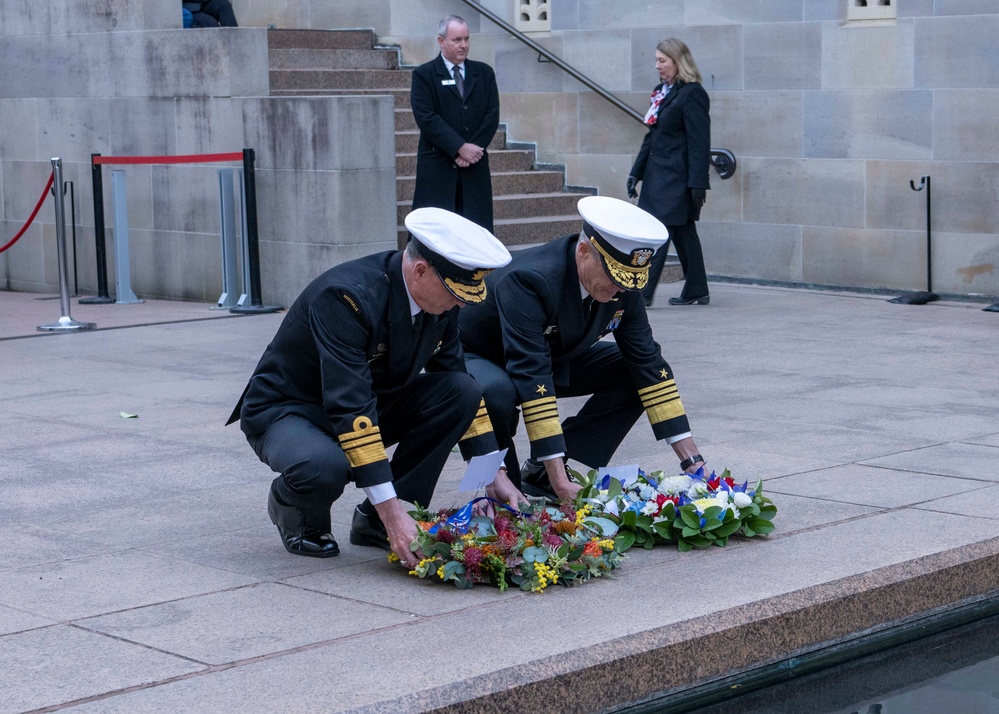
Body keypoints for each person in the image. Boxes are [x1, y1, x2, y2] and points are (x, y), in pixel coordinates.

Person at [227, 208, 525, 567]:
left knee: (460, 391)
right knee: (323, 465)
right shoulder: (345, 298)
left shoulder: (440, 297)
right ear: (420, 271)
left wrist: (494, 474)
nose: (461, 303)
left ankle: (377, 521)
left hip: (368, 398)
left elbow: (456, 375)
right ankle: (295, 509)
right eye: (456, 293)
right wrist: (392, 511)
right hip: (291, 408)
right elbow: (349, 406)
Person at [459, 196, 709, 502]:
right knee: (497, 393)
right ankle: (488, 485)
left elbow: (647, 360)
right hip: (479, 357)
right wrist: (560, 482)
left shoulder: (621, 284)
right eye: (614, 278)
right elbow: (531, 373)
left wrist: (692, 461)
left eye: (627, 282)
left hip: (551, 353)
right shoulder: (530, 279)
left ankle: (544, 471)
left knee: (633, 372)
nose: (620, 290)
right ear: (583, 252)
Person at [627, 38, 710, 307]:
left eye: (662, 60)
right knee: (684, 233)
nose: (657, 66)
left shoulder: (692, 94)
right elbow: (652, 138)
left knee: (657, 232)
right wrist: (635, 172)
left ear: (678, 61)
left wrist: (698, 182)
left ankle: (643, 293)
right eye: (656, 60)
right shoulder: (661, 92)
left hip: (676, 178)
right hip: (657, 175)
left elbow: (700, 142)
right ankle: (697, 288)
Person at [410, 15, 500, 232]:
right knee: (436, 233)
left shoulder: (484, 73)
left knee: (475, 231)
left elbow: (492, 114)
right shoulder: (424, 75)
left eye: (467, 39)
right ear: (441, 41)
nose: (464, 45)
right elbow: (426, 117)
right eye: (457, 40)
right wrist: (459, 147)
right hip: (438, 168)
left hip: (474, 169)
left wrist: (473, 150)